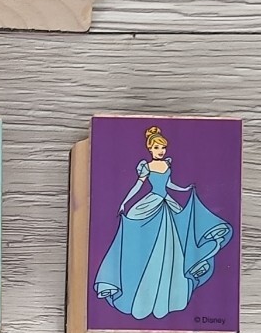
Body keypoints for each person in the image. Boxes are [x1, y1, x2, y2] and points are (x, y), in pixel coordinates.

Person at [94, 125, 234, 319]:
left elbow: (168, 184)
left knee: (174, 244)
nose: (161, 151)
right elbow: (137, 186)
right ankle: (141, 289)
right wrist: (125, 202)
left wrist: (185, 190)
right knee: (146, 241)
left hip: (167, 203)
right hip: (151, 203)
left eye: (163, 147)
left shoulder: (167, 164)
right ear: (150, 148)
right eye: (157, 148)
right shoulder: (146, 166)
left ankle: (170, 294)